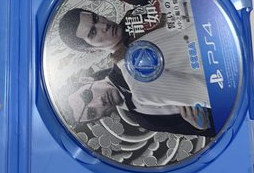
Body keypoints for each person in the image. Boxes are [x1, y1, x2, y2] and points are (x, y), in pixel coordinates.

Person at [58, 8, 214, 136]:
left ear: (86, 80)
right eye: (92, 113)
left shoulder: (138, 18)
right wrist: (201, 126)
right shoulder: (145, 120)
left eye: (87, 95)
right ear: (91, 50)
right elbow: (213, 129)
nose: (99, 102)